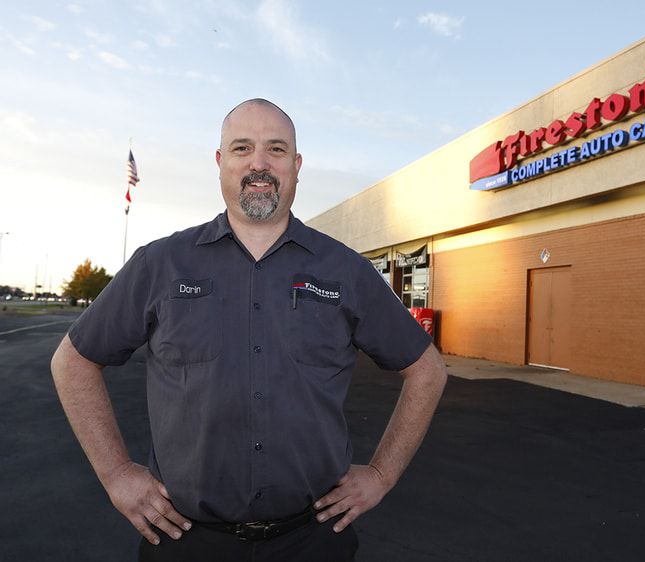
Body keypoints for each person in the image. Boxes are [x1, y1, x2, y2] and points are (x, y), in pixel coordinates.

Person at [50, 98, 448, 561]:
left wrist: (381, 474)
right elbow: (73, 360)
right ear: (220, 163)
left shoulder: (346, 271)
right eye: (242, 148)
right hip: (185, 541)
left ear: (297, 166)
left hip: (314, 540)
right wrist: (116, 472)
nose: (259, 164)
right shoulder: (159, 265)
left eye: (276, 150)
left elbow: (427, 370)